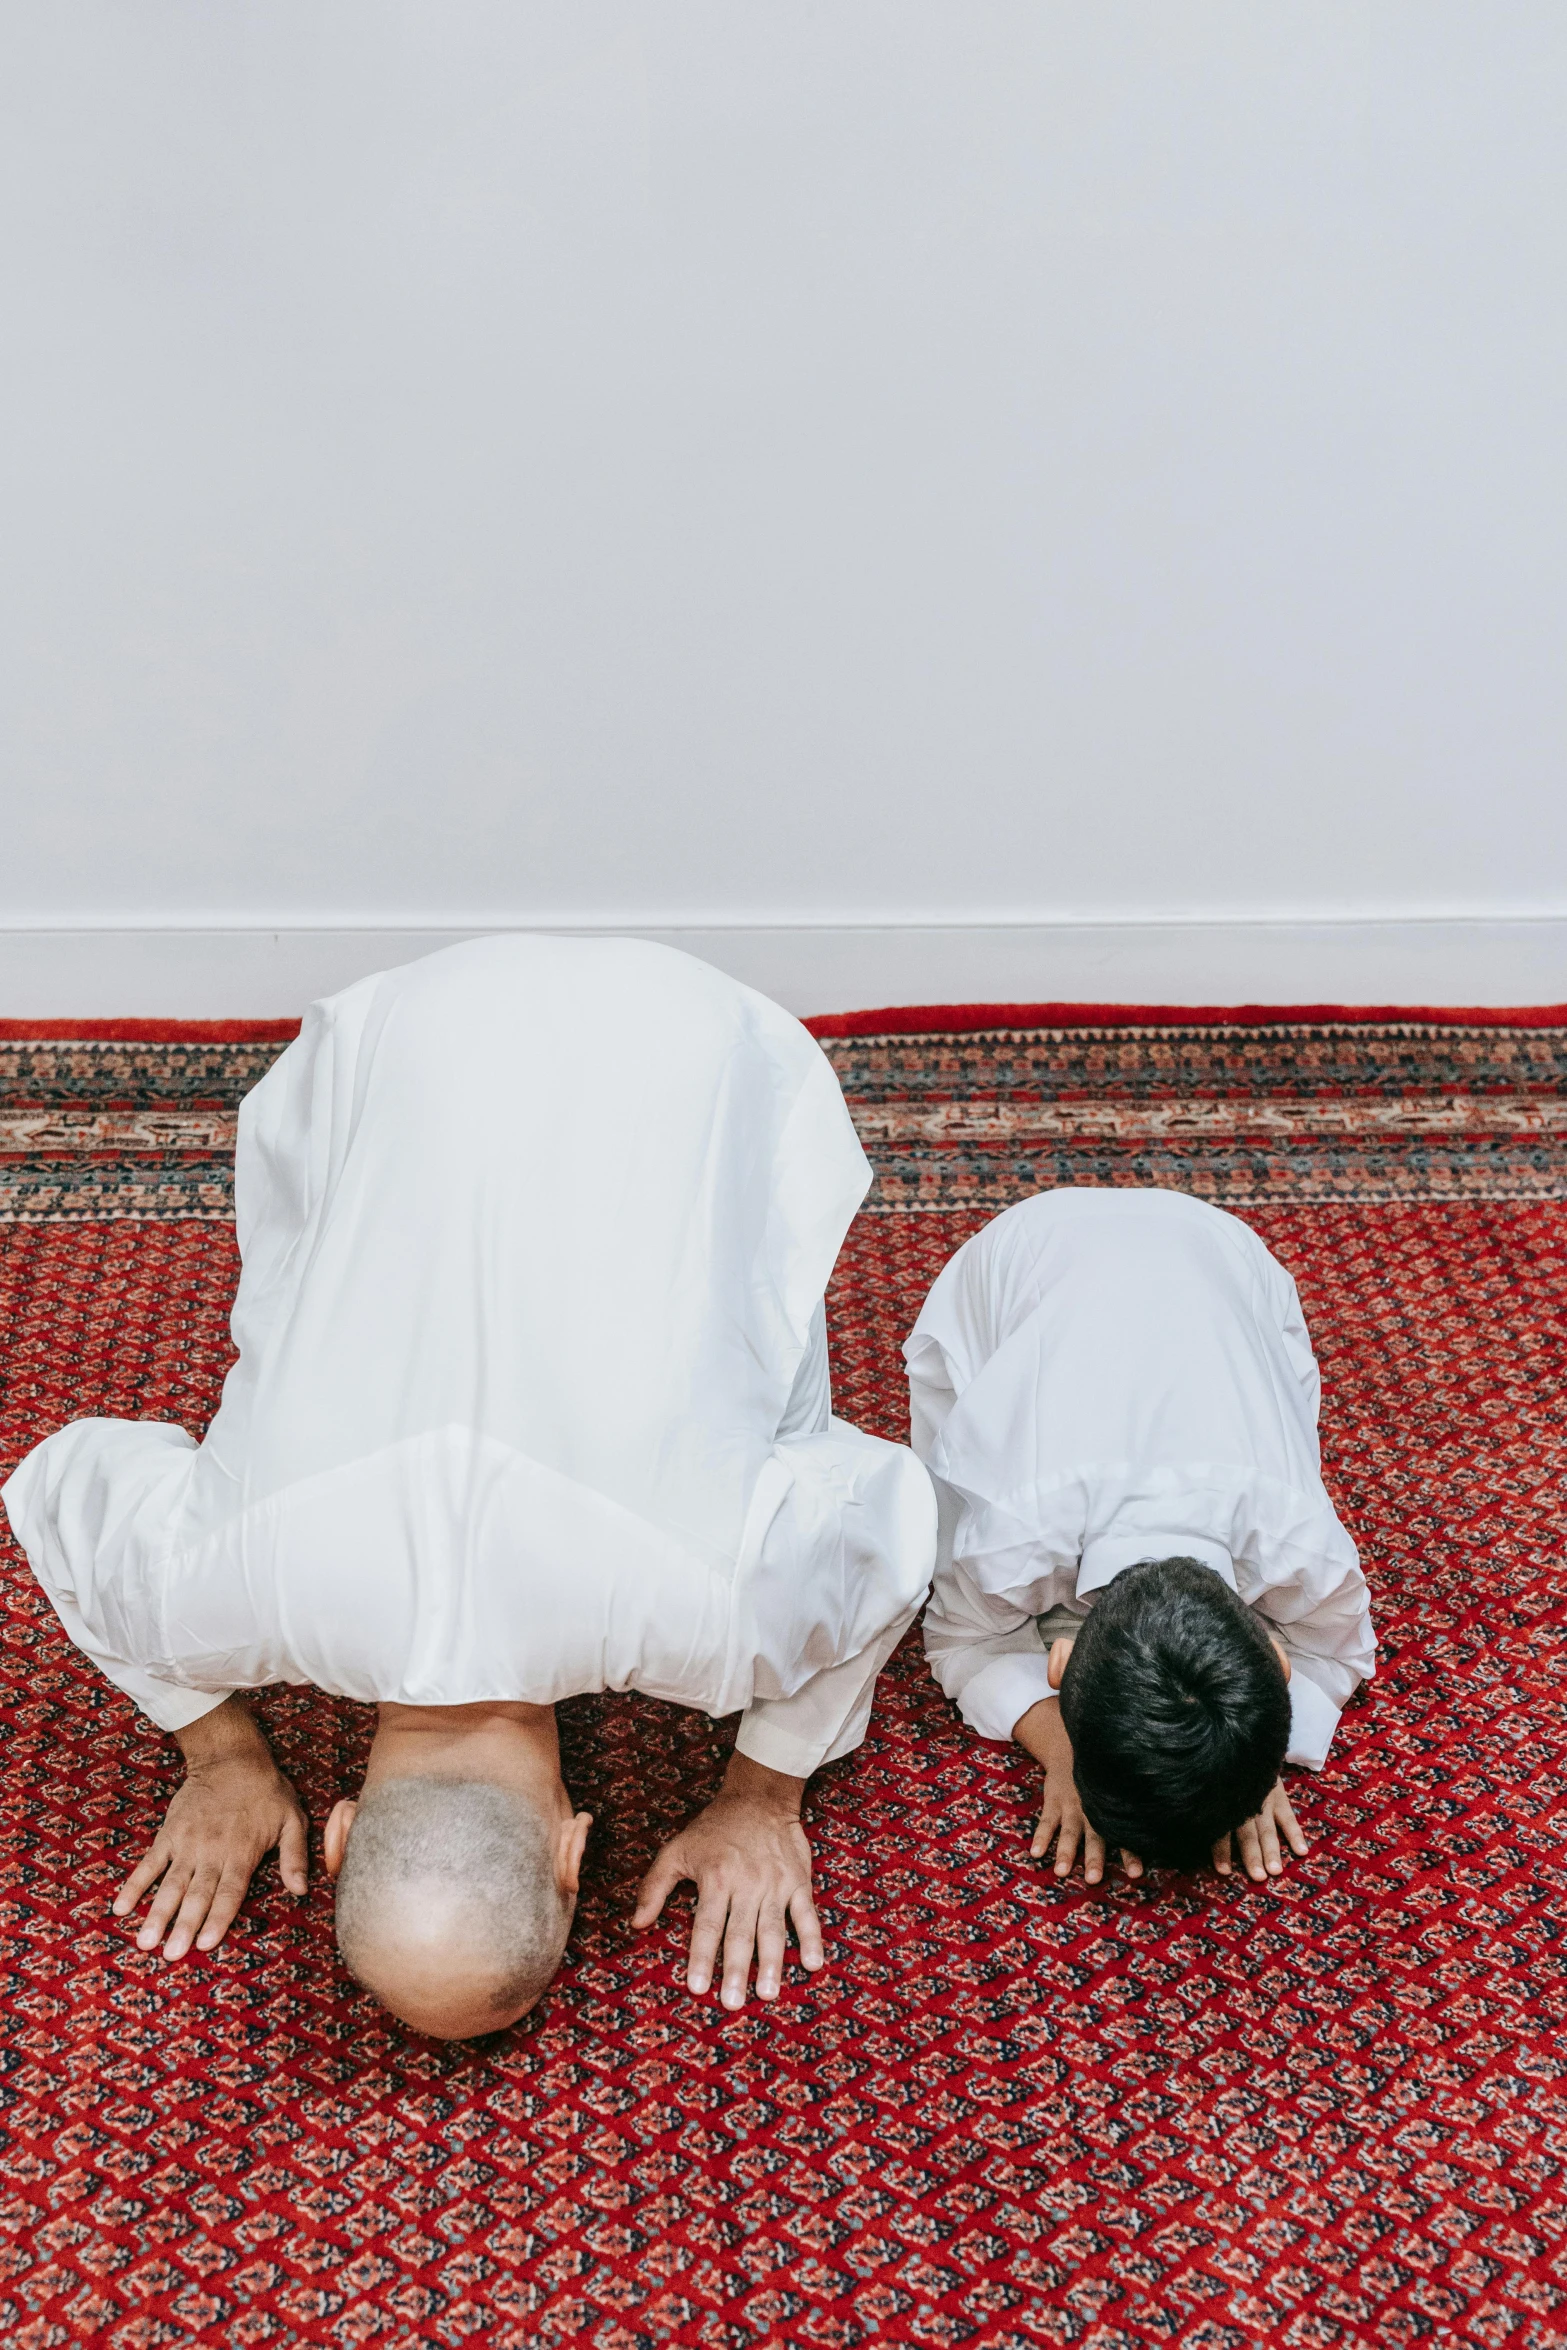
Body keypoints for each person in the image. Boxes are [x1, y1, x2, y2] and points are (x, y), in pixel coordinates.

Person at [3, 937, 935, 2038]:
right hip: (401, 1030)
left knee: (767, 1420)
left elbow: (895, 1517)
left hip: (698, 1038)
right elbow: (56, 1484)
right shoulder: (212, 1595)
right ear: (343, 1827)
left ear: (572, 1850)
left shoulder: (726, 1620)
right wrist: (213, 1748)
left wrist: (763, 1795)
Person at [905, 1186, 1374, 1884]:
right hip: (1021, 1252)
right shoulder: (1012, 1534)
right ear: (1057, 1664)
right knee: (926, 1521)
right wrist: (1059, 1751)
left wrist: (1245, 1750)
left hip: (1223, 1247)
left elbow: (1338, 1656)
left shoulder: (1300, 1545)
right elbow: (956, 1637)